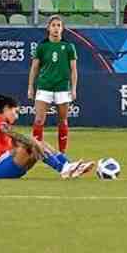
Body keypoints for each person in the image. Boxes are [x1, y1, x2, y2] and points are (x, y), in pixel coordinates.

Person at [0, 94, 96, 180]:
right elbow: (9, 132)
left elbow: (16, 145)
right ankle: (63, 168)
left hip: (10, 168)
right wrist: (32, 142)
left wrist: (35, 144)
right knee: (34, 142)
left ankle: (70, 166)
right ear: (6, 108)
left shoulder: (3, 124)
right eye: (15, 112)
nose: (16, 117)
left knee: (39, 142)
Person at [26, 16, 77, 153]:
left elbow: (73, 70)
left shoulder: (68, 47)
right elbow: (34, 68)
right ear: (48, 28)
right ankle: (37, 152)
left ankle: (62, 153)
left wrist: (73, 89)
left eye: (58, 25)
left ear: (62, 28)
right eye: (53, 25)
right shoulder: (42, 46)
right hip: (44, 87)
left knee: (63, 121)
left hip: (62, 88)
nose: (56, 28)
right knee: (39, 120)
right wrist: (31, 86)